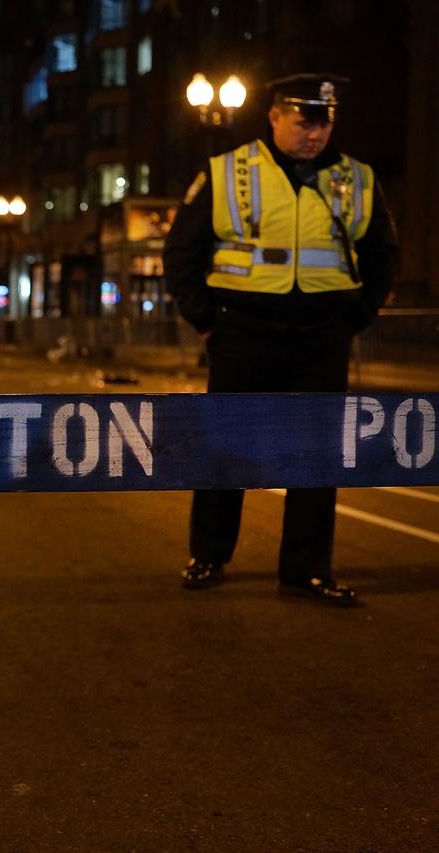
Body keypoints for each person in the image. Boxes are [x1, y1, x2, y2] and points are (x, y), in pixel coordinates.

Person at [163, 73, 398, 607]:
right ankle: (209, 554)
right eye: (303, 121)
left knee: (317, 457)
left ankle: (306, 570)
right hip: (243, 332)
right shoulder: (229, 171)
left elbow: (383, 254)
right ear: (274, 117)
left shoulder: (355, 178)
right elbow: (182, 252)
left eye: (324, 122)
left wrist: (355, 318)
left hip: (321, 336)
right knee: (226, 447)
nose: (314, 133)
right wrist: (207, 322)